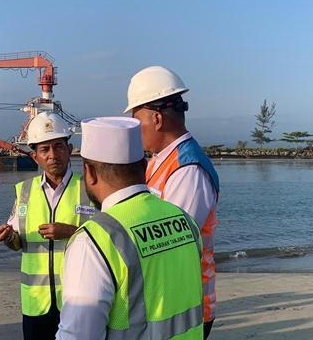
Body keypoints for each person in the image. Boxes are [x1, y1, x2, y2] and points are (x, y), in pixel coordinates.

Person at [57, 116, 205, 339]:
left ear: (90, 173)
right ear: (144, 167)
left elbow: (78, 335)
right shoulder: (185, 220)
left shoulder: (94, 240)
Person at [124, 66, 221, 338]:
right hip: (166, 302)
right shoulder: (159, 160)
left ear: (156, 119)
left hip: (185, 305)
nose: (135, 129)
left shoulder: (188, 170)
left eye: (136, 120)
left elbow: (170, 243)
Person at [0, 112, 97, 340]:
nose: (53, 155)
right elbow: (18, 244)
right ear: (35, 157)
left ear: (70, 151)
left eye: (58, 146)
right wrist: (9, 237)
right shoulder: (24, 192)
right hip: (36, 304)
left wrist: (70, 232)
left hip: (79, 299)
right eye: (44, 150)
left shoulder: (89, 190)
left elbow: (108, 238)